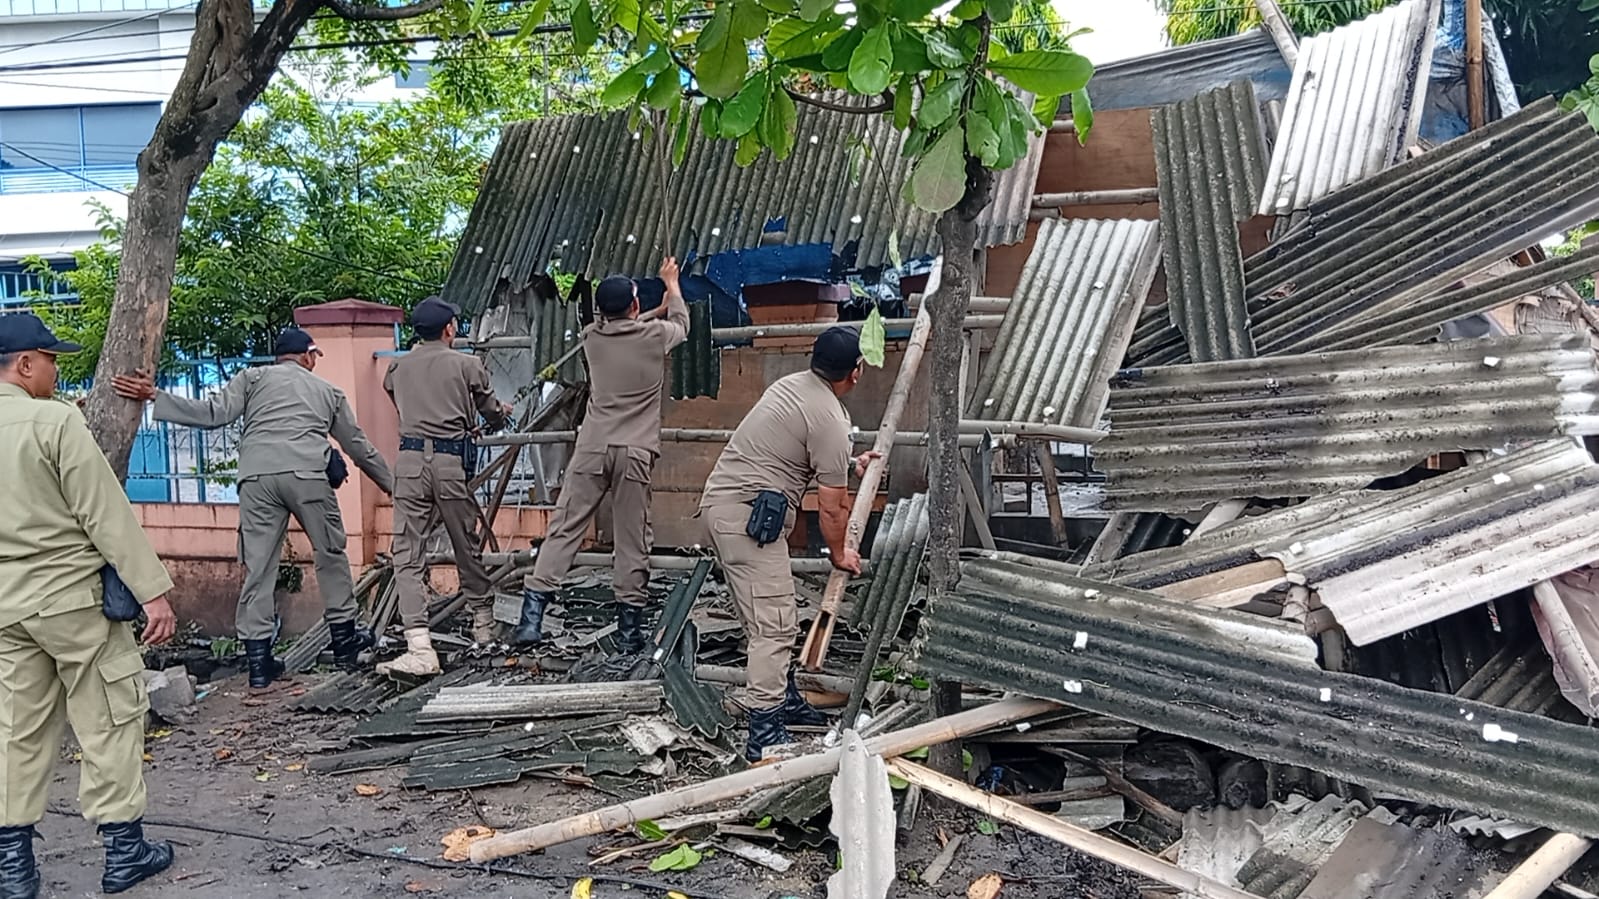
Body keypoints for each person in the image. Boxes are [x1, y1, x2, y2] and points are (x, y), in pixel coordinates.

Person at [0, 313, 178, 897]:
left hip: (6, 610)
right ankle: (125, 853)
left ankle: (13, 867)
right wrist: (152, 590)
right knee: (109, 718)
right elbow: (103, 511)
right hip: (74, 604)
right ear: (24, 364)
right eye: (50, 359)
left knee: (14, 731)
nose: (55, 369)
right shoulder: (53, 421)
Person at [112, 328, 393, 687]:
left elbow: (214, 413)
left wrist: (156, 396)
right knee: (331, 554)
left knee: (259, 567)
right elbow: (359, 447)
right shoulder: (327, 391)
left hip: (257, 478)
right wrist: (393, 486)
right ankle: (344, 644)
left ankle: (259, 663)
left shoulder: (252, 378)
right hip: (307, 476)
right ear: (308, 356)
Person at [698, 326, 880, 761]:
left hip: (725, 509)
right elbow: (833, 510)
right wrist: (840, 553)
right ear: (855, 372)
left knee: (764, 621)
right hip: (748, 520)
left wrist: (847, 462)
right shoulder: (831, 418)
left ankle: (784, 699)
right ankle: (765, 734)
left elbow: (797, 449)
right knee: (775, 627)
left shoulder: (792, 387)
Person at [513, 258, 690, 654]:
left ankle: (530, 618)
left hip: (592, 447)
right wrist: (672, 286)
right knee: (631, 538)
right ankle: (628, 631)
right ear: (633, 306)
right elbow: (683, 324)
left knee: (565, 527)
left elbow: (625, 324)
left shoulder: (593, 337)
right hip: (634, 452)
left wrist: (651, 309)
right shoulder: (656, 336)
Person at [382, 296, 512, 676]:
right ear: (450, 329)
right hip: (450, 462)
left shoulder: (396, 369)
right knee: (464, 542)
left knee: (407, 551)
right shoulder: (467, 365)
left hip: (408, 462)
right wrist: (497, 415)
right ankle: (483, 626)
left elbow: (400, 404)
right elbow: (491, 412)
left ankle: (419, 645)